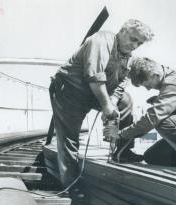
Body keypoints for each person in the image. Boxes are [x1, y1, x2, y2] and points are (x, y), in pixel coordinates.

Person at [49, 20, 154, 186]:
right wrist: (106, 106)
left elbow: (121, 83)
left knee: (125, 101)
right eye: (133, 39)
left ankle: (122, 151)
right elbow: (95, 77)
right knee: (69, 140)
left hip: (93, 93)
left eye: (139, 43)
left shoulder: (127, 56)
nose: (135, 45)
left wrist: (112, 102)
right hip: (69, 91)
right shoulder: (102, 40)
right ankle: (70, 185)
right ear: (123, 31)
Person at [114, 57, 176, 174]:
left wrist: (121, 135)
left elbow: (152, 119)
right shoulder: (167, 78)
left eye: (147, 85)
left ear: (155, 75)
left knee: (162, 121)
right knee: (151, 157)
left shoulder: (172, 84)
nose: (148, 89)